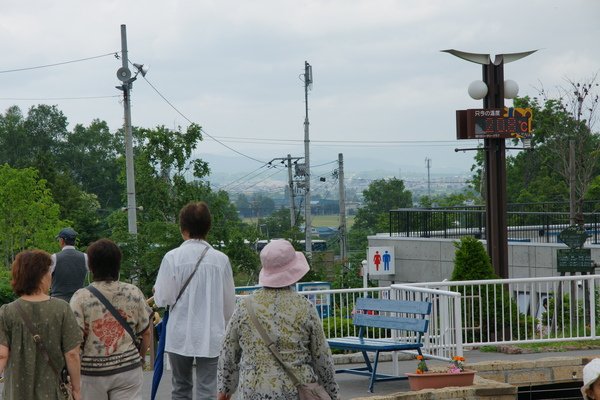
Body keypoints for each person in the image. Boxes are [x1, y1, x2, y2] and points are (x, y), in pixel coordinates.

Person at [217, 239, 340, 399]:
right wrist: (331, 393)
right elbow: (321, 357)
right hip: (296, 391)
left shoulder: (244, 306)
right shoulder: (305, 307)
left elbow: (228, 353)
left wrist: (225, 390)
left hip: (253, 391)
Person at [154, 201, 236, 399]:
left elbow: (163, 298)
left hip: (179, 332)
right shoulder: (221, 260)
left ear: (183, 229)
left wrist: (157, 290)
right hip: (212, 333)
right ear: (208, 227)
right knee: (208, 390)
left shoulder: (172, 257)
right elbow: (229, 305)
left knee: (180, 388)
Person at [70, 239, 152, 400]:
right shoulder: (133, 292)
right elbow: (147, 332)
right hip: (128, 370)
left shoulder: (80, 297)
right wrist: (140, 358)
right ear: (118, 264)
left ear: (91, 267)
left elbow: (74, 344)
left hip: (92, 374)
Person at [0, 250, 82, 400]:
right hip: (53, 392)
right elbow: (72, 355)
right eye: (49, 272)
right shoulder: (62, 308)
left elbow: (2, 355)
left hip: (17, 394)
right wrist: (76, 390)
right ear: (42, 277)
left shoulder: (7, 312)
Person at [51, 227, 88, 303]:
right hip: (79, 301)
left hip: (58, 301)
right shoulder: (85, 257)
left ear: (62, 241)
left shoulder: (54, 257)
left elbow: (47, 278)